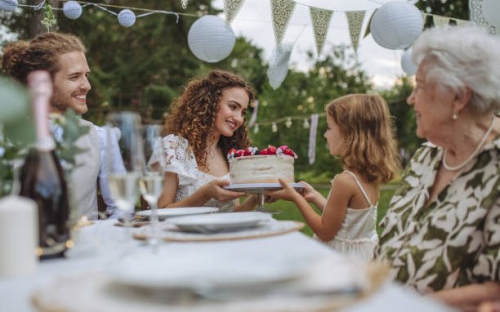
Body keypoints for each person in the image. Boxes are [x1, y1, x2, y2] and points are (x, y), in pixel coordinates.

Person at [375, 25, 500, 311]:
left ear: (459, 97)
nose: (410, 99)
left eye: (419, 87)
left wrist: (411, 305)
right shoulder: (425, 158)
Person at [269, 94, 400, 261]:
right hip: (363, 257)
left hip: (343, 260)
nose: (325, 134)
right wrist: (314, 196)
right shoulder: (367, 177)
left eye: (329, 128)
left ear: (349, 133)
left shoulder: (344, 181)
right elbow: (346, 221)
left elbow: (325, 231)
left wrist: (295, 198)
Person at [2, 32, 118, 220]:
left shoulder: (100, 137)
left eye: (86, 75)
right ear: (42, 83)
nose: (87, 85)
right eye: (74, 77)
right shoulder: (6, 137)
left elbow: (121, 209)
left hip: (85, 246)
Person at [153, 70, 257, 211]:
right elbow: (159, 212)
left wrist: (256, 198)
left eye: (243, 112)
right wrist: (205, 193)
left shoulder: (229, 154)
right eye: (233, 107)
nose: (239, 118)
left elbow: (231, 212)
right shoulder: (174, 148)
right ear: (210, 103)